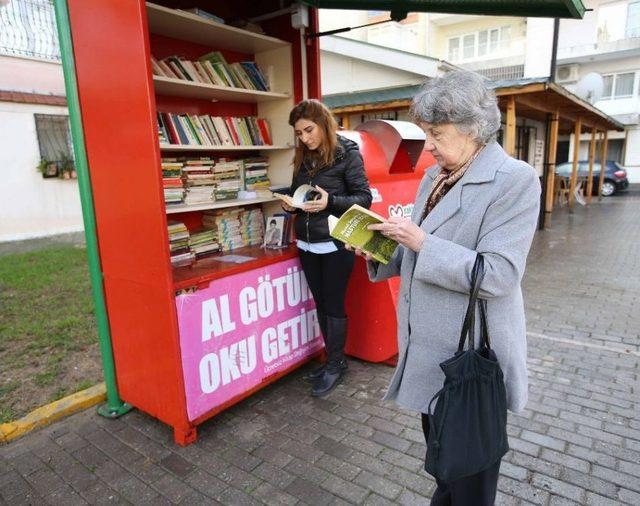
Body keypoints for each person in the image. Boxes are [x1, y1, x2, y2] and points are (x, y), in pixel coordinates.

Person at [353, 71, 540, 506]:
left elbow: (496, 275)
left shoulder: (515, 179)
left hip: (469, 363)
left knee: (470, 481)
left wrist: (419, 240)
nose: (429, 145)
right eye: (425, 133)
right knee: (443, 463)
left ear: (473, 129)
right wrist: (375, 250)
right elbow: (419, 254)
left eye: (436, 133)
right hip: (429, 355)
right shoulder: (433, 175)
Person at [282, 99, 372, 397]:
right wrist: (292, 205)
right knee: (320, 304)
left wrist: (330, 202)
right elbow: (300, 192)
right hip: (307, 243)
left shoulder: (347, 154)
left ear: (323, 123)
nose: (305, 138)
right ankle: (332, 360)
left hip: (335, 244)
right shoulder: (303, 157)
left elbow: (364, 197)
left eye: (309, 130)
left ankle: (336, 364)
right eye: (299, 133)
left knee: (333, 305)